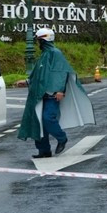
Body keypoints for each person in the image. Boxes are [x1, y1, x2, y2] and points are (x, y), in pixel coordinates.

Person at [18, 27, 96, 158]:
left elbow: (62, 72)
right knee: (39, 122)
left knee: (47, 119)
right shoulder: (44, 55)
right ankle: (44, 150)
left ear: (43, 40)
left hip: (52, 95)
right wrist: (26, 81)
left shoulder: (55, 53)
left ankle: (62, 138)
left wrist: (60, 90)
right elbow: (38, 75)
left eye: (38, 40)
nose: (38, 43)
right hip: (40, 95)